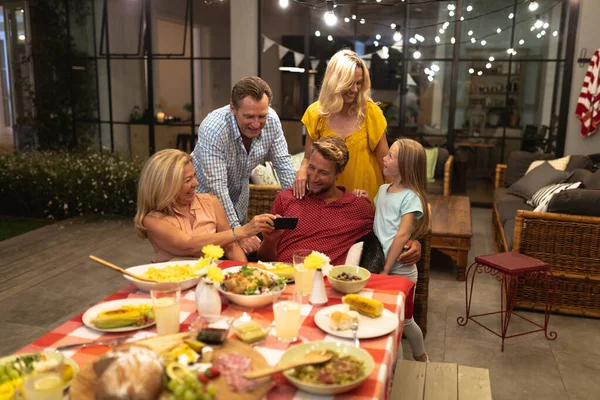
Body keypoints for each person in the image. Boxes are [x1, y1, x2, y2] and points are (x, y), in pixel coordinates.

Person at [257, 136, 420, 267]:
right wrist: (270, 241)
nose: (313, 178)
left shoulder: (358, 207)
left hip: (331, 288)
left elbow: (386, 232)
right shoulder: (286, 199)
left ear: (339, 173)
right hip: (283, 280)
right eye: (311, 168)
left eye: (323, 172)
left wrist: (413, 242)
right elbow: (264, 260)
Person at [191, 76, 295, 254]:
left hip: (239, 200)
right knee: (210, 261)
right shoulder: (213, 129)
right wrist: (240, 233)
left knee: (240, 260)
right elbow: (217, 187)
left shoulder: (272, 120)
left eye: (261, 116)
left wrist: (298, 210)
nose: (256, 124)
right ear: (233, 109)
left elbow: (283, 164)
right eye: (249, 116)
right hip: (203, 205)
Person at [133, 149, 276, 263]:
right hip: (173, 284)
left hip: (209, 280)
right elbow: (189, 245)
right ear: (167, 187)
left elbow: (231, 246)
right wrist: (243, 231)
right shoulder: (152, 220)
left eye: (194, 176)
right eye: (188, 180)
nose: (196, 183)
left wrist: (244, 273)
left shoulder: (210, 202)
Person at [293, 49, 389, 203]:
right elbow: (308, 158)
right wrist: (303, 170)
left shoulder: (371, 113)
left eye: (359, 83)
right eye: (349, 83)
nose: (355, 90)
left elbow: (387, 165)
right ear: (334, 82)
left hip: (365, 202)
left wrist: (391, 204)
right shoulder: (316, 114)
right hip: (327, 203)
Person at [372, 138, 430, 362]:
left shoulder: (411, 197)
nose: (384, 158)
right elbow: (380, 221)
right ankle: (397, 371)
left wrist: (386, 268)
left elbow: (402, 235)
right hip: (383, 266)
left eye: (390, 156)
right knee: (390, 322)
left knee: (404, 321)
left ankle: (421, 356)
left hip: (400, 270)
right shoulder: (383, 190)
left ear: (404, 165)